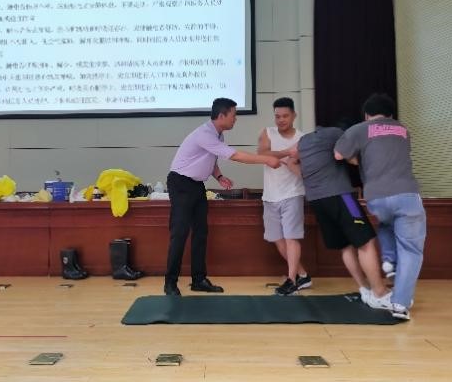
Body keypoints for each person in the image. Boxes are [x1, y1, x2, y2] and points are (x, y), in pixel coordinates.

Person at [164, 98, 282, 296]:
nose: (236, 119)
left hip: (196, 185)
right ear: (221, 116)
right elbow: (235, 156)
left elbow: (210, 158)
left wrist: (219, 176)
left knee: (201, 233)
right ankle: (170, 283)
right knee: (180, 233)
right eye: (234, 115)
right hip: (181, 183)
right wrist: (267, 159)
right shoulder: (205, 134)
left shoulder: (217, 134)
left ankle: (199, 280)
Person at [334, 93, 426, 320]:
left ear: (366, 114)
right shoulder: (403, 130)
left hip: (376, 196)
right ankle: (400, 304)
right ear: (391, 115)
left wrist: (358, 160)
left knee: (386, 223)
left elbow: (338, 154)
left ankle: (389, 260)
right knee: (411, 250)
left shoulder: (359, 129)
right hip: (406, 193)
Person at [291, 120, 391, 309]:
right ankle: (379, 293)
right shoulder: (337, 133)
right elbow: (349, 157)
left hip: (316, 200)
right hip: (342, 196)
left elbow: (291, 159)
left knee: (345, 246)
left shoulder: (304, 141)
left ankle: (365, 289)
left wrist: (309, 179)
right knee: (365, 241)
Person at [257, 97, 311, 296]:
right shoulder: (267, 132)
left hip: (293, 193)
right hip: (270, 195)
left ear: (294, 115)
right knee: (277, 238)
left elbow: (304, 167)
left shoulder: (303, 138)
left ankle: (292, 280)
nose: (281, 120)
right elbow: (262, 154)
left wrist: (288, 157)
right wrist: (287, 152)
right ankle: (303, 275)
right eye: (277, 116)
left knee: (291, 237)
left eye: (285, 116)